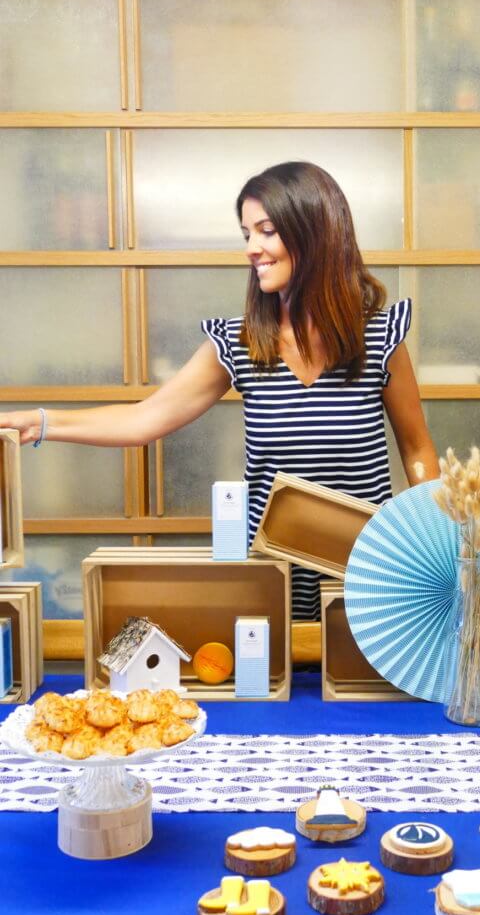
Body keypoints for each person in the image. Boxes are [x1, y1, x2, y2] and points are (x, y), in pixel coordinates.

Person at [0, 161, 440, 619]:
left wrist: (440, 542)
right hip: (272, 578)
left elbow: (417, 447)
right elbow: (143, 418)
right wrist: (41, 422)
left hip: (364, 576)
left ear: (315, 231)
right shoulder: (240, 342)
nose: (252, 249)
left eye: (266, 231)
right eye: (246, 234)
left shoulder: (380, 336)